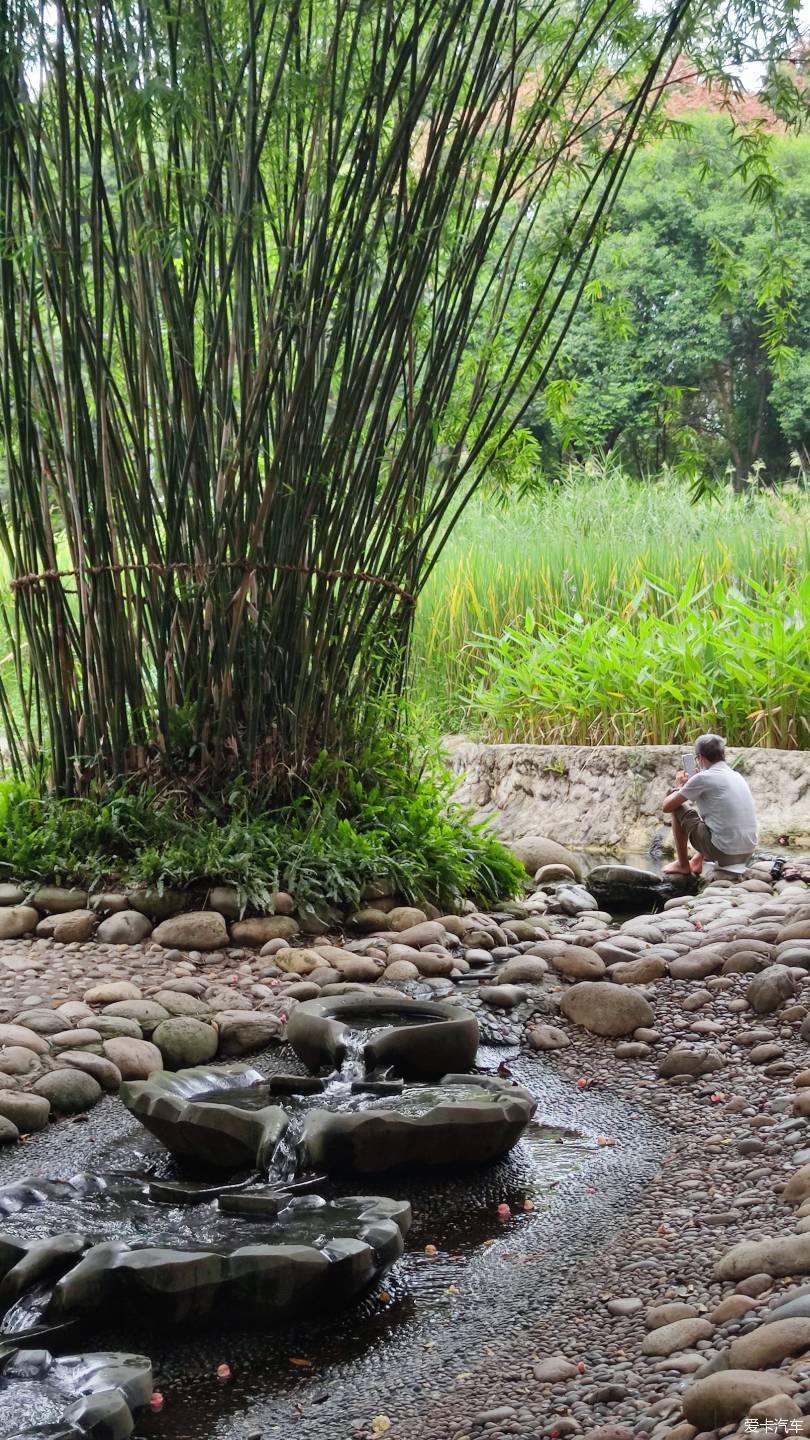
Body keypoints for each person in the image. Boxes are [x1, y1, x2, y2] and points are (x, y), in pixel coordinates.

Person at [662, 733, 758, 876]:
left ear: (700, 758)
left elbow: (667, 806)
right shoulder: (736, 775)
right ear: (722, 754)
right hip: (747, 852)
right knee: (714, 816)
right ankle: (696, 861)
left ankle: (683, 865)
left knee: (676, 803)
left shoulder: (703, 777)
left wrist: (679, 787)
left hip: (723, 853)